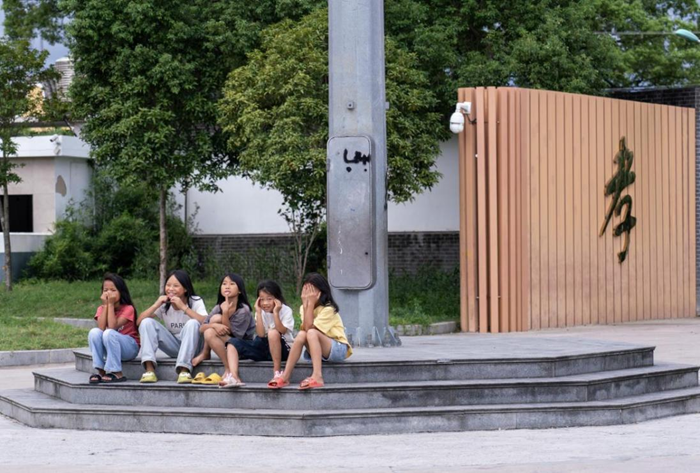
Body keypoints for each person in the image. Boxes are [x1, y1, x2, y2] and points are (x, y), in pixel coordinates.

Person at [268, 273, 352, 390]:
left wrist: (310, 303)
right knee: (302, 334)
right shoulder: (303, 308)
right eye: (306, 290)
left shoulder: (329, 309)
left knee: (311, 332)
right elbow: (305, 329)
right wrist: (307, 305)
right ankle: (285, 376)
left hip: (338, 348)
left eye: (311, 290)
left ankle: (317, 376)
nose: (308, 294)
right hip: (319, 350)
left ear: (321, 292)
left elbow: (310, 328)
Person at [219, 280, 295, 388]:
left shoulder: (286, 310)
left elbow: (282, 331)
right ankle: (234, 377)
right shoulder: (261, 312)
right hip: (264, 347)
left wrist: (276, 313)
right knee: (232, 342)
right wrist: (258, 312)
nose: (265, 303)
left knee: (273, 333)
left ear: (277, 298)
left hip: (283, 349)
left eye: (269, 299)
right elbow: (260, 334)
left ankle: (277, 373)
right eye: (262, 299)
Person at [136, 269, 207, 384]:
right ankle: (149, 370)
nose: (170, 289)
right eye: (168, 285)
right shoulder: (165, 304)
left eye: (176, 286)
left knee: (193, 323)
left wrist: (183, 307)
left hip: (194, 346)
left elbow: (206, 322)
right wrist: (156, 305)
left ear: (185, 289)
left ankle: (184, 370)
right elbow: (139, 322)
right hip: (173, 346)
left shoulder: (195, 301)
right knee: (147, 322)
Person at [196, 273, 255, 387]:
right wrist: (215, 325)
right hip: (226, 344)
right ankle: (218, 361)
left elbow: (234, 337)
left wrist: (225, 313)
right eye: (224, 284)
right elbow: (202, 328)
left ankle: (229, 370)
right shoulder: (219, 306)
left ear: (239, 290)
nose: (227, 287)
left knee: (215, 320)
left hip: (241, 347)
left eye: (232, 284)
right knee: (212, 325)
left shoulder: (243, 310)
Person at [87, 273, 140, 384]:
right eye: (105, 290)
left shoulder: (128, 309)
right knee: (94, 332)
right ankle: (101, 370)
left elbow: (112, 326)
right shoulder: (101, 308)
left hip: (129, 348)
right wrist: (106, 306)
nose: (108, 293)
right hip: (110, 347)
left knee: (109, 332)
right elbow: (101, 328)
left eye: (113, 290)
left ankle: (116, 372)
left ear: (121, 292)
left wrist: (110, 305)